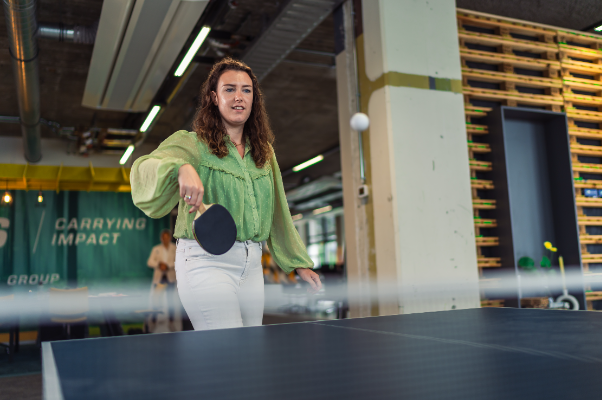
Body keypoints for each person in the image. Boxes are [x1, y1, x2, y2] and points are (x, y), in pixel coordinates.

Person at [131, 57, 322, 330]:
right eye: (229, 89)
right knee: (229, 352)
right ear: (214, 97)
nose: (238, 97)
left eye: (246, 90)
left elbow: (279, 211)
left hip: (252, 265)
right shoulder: (192, 144)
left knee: (249, 354)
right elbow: (144, 169)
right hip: (205, 261)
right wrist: (181, 167)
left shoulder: (264, 153)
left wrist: (298, 263)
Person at [146, 229, 177, 332]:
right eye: (163, 238)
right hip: (159, 278)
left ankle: (171, 322)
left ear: (169, 238)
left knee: (170, 300)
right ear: (161, 238)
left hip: (170, 277)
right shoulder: (156, 249)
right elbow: (150, 262)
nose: (165, 239)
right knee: (156, 300)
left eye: (167, 237)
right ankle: (154, 321)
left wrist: (168, 266)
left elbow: (178, 261)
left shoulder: (175, 248)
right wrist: (159, 264)